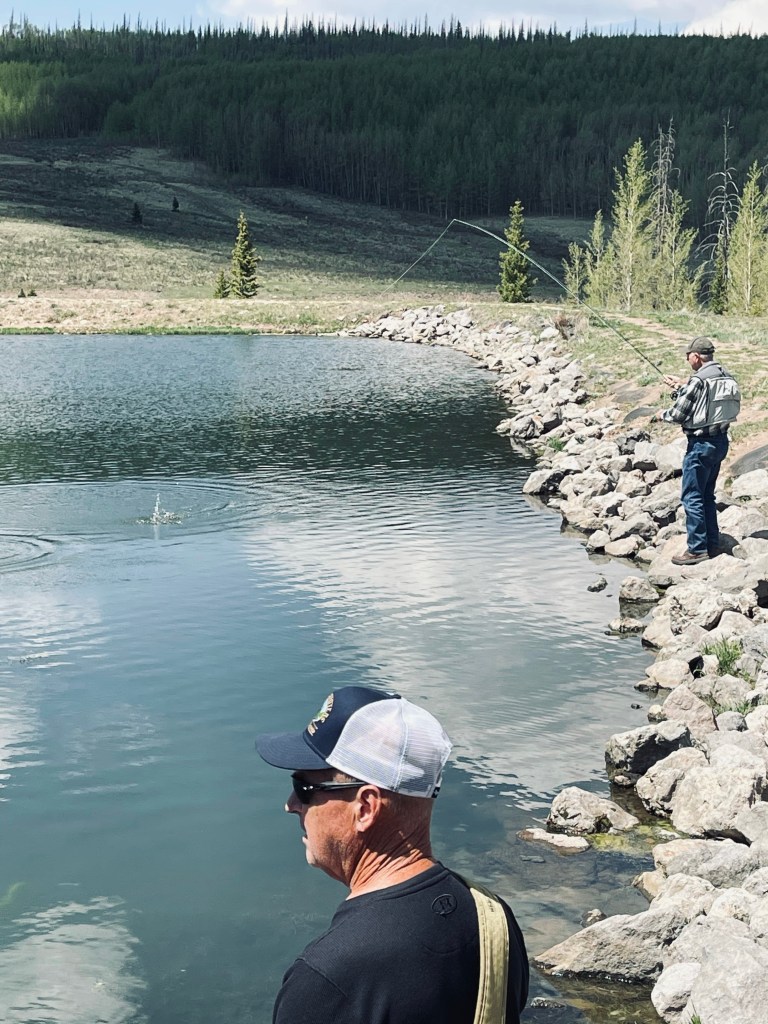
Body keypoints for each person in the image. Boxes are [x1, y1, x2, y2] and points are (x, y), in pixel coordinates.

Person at [255, 685, 529, 1024]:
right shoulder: (494, 920)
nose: (291, 804)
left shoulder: (327, 981)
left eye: (304, 788)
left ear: (365, 808)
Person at [651, 336, 740, 565]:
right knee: (706, 495)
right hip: (720, 442)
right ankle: (712, 544)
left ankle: (697, 550)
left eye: (688, 356)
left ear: (696, 356)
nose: (687, 359)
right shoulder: (725, 375)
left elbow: (678, 414)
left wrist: (661, 415)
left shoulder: (698, 380)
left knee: (692, 497)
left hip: (700, 446)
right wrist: (682, 386)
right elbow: (707, 399)